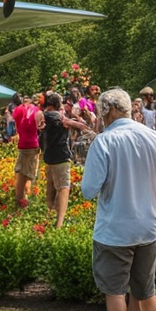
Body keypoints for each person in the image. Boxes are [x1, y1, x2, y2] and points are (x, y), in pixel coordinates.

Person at [80, 88, 156, 311]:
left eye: (102, 111)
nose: (101, 116)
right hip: (147, 225)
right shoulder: (153, 136)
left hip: (115, 228)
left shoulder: (105, 141)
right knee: (145, 289)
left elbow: (88, 190)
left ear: (110, 110)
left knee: (115, 291)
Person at [37, 92, 92, 228]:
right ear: (56, 105)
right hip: (61, 157)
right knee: (63, 188)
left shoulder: (42, 116)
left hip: (48, 158)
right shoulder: (60, 118)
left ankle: (49, 214)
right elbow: (81, 125)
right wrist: (82, 125)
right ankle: (59, 224)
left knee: (50, 187)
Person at [10, 94, 41, 208]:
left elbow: (16, 122)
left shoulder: (17, 110)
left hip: (22, 144)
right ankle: (22, 200)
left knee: (22, 173)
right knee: (28, 174)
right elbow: (40, 125)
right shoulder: (36, 110)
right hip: (33, 144)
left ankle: (21, 199)